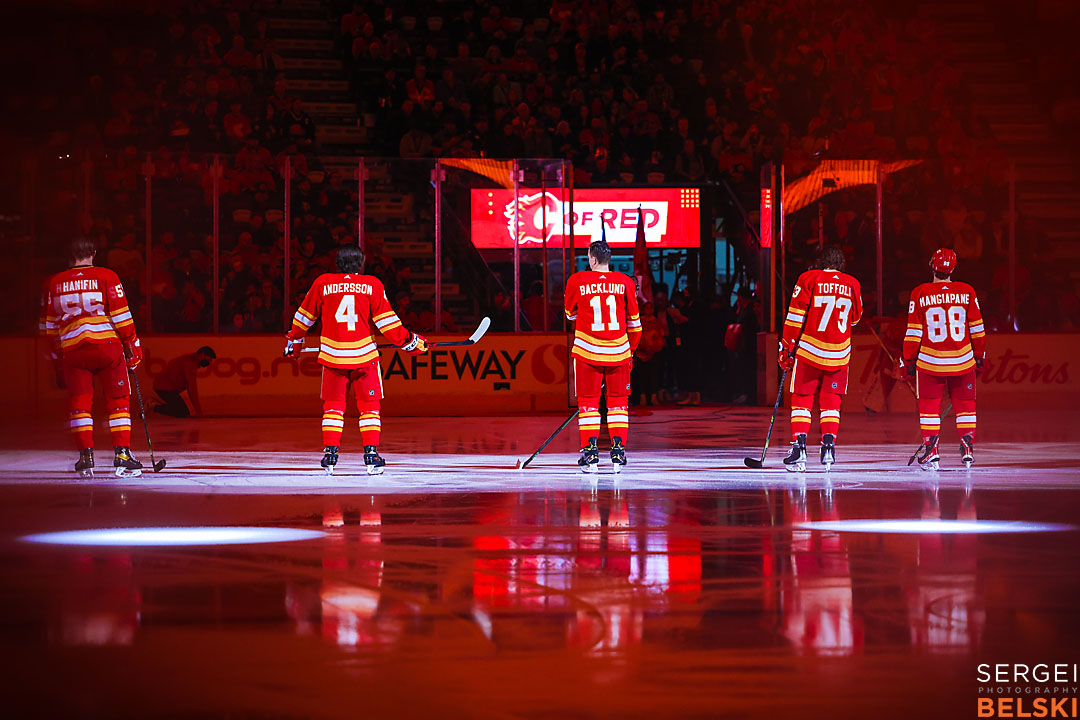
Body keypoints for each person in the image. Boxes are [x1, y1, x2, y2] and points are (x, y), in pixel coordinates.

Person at [283, 244, 428, 475]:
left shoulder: (323, 283)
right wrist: (411, 342)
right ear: (361, 263)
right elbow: (387, 324)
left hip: (332, 358)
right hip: (364, 358)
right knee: (369, 408)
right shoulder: (372, 284)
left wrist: (295, 342)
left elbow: (304, 317)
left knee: (332, 408)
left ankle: (330, 455)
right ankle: (371, 456)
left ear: (338, 263)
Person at [39, 237, 144, 477]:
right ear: (94, 253)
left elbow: (49, 327)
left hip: (73, 350)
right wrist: (133, 347)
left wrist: (57, 361)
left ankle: (85, 457)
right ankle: (122, 455)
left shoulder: (54, 282)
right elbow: (122, 316)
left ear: (69, 256)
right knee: (118, 401)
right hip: (107, 348)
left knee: (80, 403)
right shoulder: (107, 276)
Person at [779, 245, 863, 471]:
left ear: (820, 260)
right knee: (831, 401)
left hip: (810, 351)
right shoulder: (853, 283)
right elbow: (855, 319)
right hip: (839, 353)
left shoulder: (809, 278)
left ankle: (799, 448)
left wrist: (786, 347)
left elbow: (795, 317)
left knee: (802, 399)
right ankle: (828, 447)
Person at [900, 248, 986, 469]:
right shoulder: (967, 291)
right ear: (953, 268)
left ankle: (932, 451)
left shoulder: (919, 292)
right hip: (963, 360)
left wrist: (907, 360)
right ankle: (967, 450)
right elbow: (978, 329)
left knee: (929, 406)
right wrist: (979, 355)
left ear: (932, 266)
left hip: (930, 361)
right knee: (965, 405)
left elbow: (913, 332)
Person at [563, 240, 642, 473]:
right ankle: (618, 454)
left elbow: (569, 314)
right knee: (618, 404)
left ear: (593, 259)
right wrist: (630, 351)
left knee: (588, 405)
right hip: (619, 353)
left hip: (587, 352)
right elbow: (635, 325)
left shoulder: (576, 280)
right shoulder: (626, 282)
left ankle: (591, 456)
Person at [152, 346, 217, 417]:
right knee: (182, 412)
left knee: (181, 410)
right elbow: (191, 388)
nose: (209, 362)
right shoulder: (190, 364)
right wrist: (198, 410)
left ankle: (155, 406)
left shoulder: (190, 361)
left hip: (165, 387)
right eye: (209, 359)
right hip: (165, 388)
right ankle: (154, 406)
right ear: (202, 355)